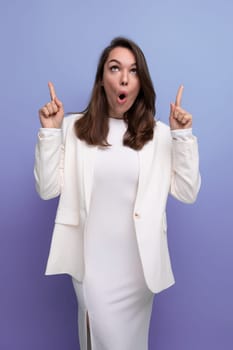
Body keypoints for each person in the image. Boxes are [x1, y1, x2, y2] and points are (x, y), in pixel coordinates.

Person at [34, 37, 201, 350]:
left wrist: (183, 137)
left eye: (134, 71)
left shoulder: (160, 134)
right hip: (91, 267)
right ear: (102, 79)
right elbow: (46, 189)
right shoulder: (72, 129)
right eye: (115, 68)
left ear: (140, 82)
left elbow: (187, 192)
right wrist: (49, 132)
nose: (125, 78)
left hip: (138, 270)